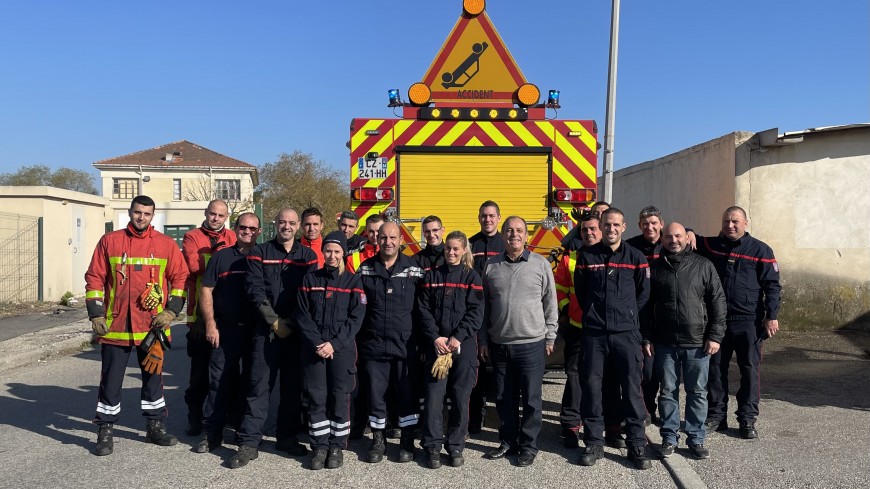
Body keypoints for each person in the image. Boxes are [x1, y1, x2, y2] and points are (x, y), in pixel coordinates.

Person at [85, 195, 188, 456]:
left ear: (153, 216)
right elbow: (95, 278)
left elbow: (180, 279)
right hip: (115, 326)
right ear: (130, 212)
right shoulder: (110, 241)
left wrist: (172, 311)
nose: (141, 217)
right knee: (110, 381)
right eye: (138, 212)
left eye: (147, 213)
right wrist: (96, 314)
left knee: (154, 381)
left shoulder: (166, 245)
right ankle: (105, 430)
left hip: (152, 328)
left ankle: (155, 427)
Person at [228, 208, 318, 469]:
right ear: (275, 224)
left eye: (291, 223)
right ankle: (249, 442)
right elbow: (254, 290)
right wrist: (273, 320)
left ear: (298, 226)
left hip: (295, 333)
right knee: (259, 387)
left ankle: (286, 438)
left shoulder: (308, 256)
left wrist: (290, 322)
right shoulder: (259, 253)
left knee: (291, 389)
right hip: (265, 332)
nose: (286, 226)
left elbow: (308, 295)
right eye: (282, 222)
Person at [574, 207, 652, 470]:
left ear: (624, 227)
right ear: (601, 226)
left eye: (616, 225)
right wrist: (596, 315)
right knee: (592, 388)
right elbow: (582, 293)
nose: (611, 229)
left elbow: (643, 294)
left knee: (632, 388)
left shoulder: (636, 257)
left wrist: (626, 315)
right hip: (595, 333)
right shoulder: (586, 256)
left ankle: (636, 444)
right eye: (607, 225)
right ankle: (594, 442)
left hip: (626, 334)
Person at [695, 206, 781, 439]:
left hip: (749, 322)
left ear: (745, 223)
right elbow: (688, 236)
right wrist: (690, 232)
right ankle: (716, 416)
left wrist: (771, 315)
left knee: (749, 371)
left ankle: (747, 419)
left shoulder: (760, 250)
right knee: (715, 370)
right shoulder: (712, 246)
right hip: (718, 321)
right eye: (726, 221)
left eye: (735, 221)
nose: (730, 226)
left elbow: (772, 285)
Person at [642, 222, 726, 460]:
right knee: (667, 392)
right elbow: (645, 308)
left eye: (678, 236)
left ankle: (696, 438)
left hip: (698, 343)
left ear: (687, 238)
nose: (673, 240)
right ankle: (669, 437)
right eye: (668, 237)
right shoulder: (654, 268)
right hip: (664, 342)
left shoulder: (704, 266)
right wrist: (646, 337)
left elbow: (718, 302)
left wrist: (715, 336)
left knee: (697, 392)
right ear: (662, 239)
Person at [480, 216, 558, 467]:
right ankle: (508, 441)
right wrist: (482, 338)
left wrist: (550, 335)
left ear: (527, 236)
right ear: (502, 235)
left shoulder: (540, 264)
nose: (514, 235)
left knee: (532, 399)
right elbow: (483, 306)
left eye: (519, 231)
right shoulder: (491, 265)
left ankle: (528, 446)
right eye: (509, 231)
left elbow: (551, 304)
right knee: (503, 397)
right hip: (499, 343)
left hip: (531, 344)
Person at [295, 231, 366, 470]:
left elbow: (356, 318)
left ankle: (336, 445)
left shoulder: (353, 281)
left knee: (340, 396)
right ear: (322, 252)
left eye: (337, 251)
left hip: (341, 349)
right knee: (316, 397)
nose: (332, 255)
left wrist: (334, 344)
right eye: (328, 251)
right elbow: (303, 315)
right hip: (314, 348)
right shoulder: (310, 279)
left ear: (343, 253)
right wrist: (318, 343)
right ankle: (319, 446)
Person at [356, 221, 424, 464]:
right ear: (377, 240)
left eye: (393, 238)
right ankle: (378, 439)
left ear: (400, 240)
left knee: (407, 394)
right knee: (376, 395)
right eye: (383, 237)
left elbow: (423, 308)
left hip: (405, 346)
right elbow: (356, 308)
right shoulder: (365, 269)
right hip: (373, 345)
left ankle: (407, 440)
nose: (388, 242)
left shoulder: (414, 269)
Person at [194, 212, 261, 454]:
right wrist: (210, 324)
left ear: (259, 232)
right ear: (235, 228)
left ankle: (245, 433)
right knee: (218, 383)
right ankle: (211, 434)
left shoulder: (262, 256)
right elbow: (206, 290)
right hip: (226, 331)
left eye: (253, 229)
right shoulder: (221, 257)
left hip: (256, 332)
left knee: (252, 384)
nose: (247, 232)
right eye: (243, 227)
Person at [417, 231, 484, 469]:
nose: (451, 253)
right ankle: (432, 446)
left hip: (461, 346)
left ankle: (455, 445)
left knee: (460, 397)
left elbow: (476, 312)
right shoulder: (431, 276)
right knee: (434, 398)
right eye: (448, 249)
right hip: (436, 346)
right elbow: (423, 310)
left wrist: (457, 337)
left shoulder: (471, 277)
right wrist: (436, 337)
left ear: (464, 250)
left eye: (456, 249)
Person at [181, 199, 237, 437]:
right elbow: (196, 268)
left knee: (226, 371)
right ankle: (195, 417)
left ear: (227, 218)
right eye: (212, 214)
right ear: (206, 213)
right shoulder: (192, 237)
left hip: (226, 313)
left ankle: (225, 416)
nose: (215, 218)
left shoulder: (233, 236)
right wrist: (222, 258)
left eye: (221, 215)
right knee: (200, 374)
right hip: (199, 316)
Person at [554, 214, 601, 448]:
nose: (589, 233)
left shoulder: (610, 256)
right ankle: (570, 426)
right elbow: (559, 289)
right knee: (574, 377)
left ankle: (601, 425)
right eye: (584, 230)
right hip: (577, 327)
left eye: (593, 229)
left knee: (600, 379)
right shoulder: (569, 258)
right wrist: (565, 311)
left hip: (603, 331)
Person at [625, 206, 665, 426]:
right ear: (639, 226)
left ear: (661, 223)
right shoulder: (631, 247)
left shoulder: (670, 244)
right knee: (645, 369)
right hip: (640, 315)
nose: (650, 227)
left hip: (666, 315)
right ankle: (646, 408)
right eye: (645, 223)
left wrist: (689, 231)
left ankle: (661, 409)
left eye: (654, 223)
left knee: (664, 369)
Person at [468, 200, 504, 434]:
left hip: (499, 312)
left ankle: (503, 419)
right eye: (484, 216)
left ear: (498, 218)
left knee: (501, 371)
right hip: (475, 311)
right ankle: (475, 417)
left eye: (492, 216)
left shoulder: (505, 242)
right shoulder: (471, 243)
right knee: (477, 371)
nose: (487, 219)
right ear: (479, 218)